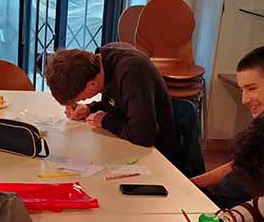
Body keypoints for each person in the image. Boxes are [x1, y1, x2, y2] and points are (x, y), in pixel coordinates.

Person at [44, 42, 184, 171]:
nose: (82, 100)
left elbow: (143, 136)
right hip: (136, 149)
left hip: (158, 159)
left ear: (92, 84)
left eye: (81, 98)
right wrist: (90, 108)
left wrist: (105, 121)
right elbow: (121, 102)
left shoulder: (132, 73)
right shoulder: (103, 63)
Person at [191, 45, 264, 209]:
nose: (244, 100)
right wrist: (189, 184)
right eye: (242, 90)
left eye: (252, 89)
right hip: (212, 199)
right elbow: (237, 165)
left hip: (225, 212)